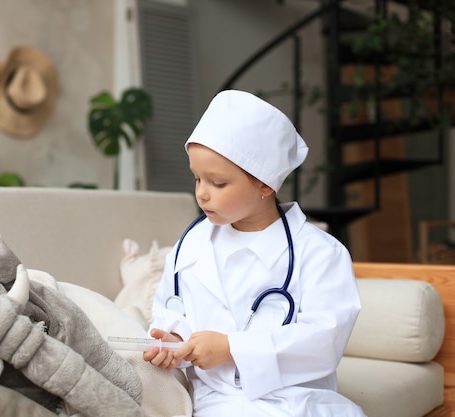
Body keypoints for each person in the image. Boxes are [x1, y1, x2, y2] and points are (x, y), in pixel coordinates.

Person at [143, 90, 366, 417]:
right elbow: (169, 306)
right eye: (197, 178)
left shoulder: (320, 253)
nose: (202, 193)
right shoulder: (190, 244)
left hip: (297, 401)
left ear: (265, 185)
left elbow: (324, 340)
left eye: (218, 183)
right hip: (213, 400)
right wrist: (173, 338)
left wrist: (232, 349)